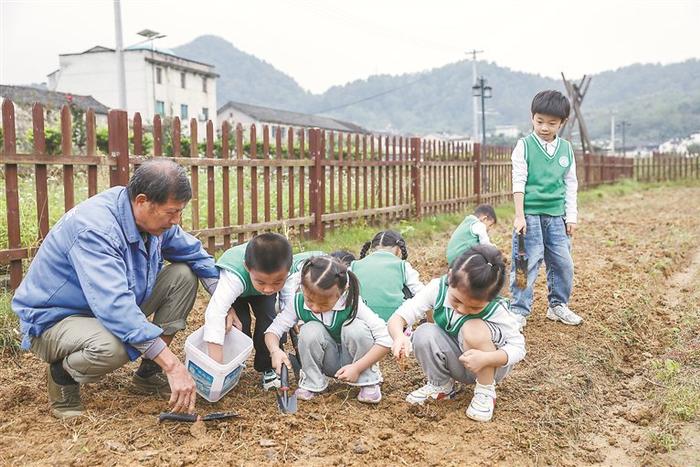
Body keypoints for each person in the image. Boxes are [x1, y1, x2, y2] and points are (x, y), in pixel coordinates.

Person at [12, 159, 218, 419]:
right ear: (142, 201)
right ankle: (62, 376)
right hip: (55, 319)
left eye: (180, 212)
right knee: (117, 345)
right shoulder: (96, 230)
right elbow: (116, 308)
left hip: (107, 305)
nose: (176, 221)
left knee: (183, 274)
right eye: (171, 212)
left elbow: (193, 252)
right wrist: (173, 365)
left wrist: (224, 300)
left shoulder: (148, 218)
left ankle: (147, 374)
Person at [388, 245, 525, 422]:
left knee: (472, 326)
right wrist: (399, 336)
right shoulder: (437, 288)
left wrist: (487, 359)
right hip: (458, 361)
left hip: (490, 366)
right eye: (457, 300)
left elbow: (518, 347)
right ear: (451, 276)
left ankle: (485, 391)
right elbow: (399, 316)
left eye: (475, 307)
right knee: (423, 332)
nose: (462, 309)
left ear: (491, 298)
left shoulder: (497, 310)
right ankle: (441, 386)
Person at [265, 256, 391, 404]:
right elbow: (273, 330)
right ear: (302, 287)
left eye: (324, 304)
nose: (316, 308)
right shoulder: (297, 303)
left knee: (355, 328)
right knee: (309, 329)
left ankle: (368, 381)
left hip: (355, 361)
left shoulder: (352, 303)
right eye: (309, 301)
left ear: (342, 291)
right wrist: (275, 350)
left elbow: (386, 339)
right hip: (328, 361)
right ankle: (313, 382)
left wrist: (357, 367)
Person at [510, 90, 582, 329]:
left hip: (556, 217)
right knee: (525, 263)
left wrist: (571, 217)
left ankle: (557, 305)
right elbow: (518, 181)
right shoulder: (524, 146)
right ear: (532, 117)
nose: (544, 127)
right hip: (529, 216)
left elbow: (571, 184)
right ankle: (518, 310)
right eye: (540, 121)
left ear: (562, 123)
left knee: (563, 263)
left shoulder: (566, 149)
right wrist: (520, 215)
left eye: (551, 123)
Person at [203, 233, 295, 390]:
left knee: (270, 319)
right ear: (247, 267)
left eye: (277, 282)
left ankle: (267, 366)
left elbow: (288, 304)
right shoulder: (234, 275)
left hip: (256, 291)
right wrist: (215, 367)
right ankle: (233, 364)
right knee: (238, 324)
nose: (268, 288)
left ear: (287, 271)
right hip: (238, 292)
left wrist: (294, 319)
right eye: (262, 281)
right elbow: (215, 314)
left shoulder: (285, 272)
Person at [350, 230, 423, 322]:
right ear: (399, 249)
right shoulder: (402, 265)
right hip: (394, 321)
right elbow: (421, 293)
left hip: (361, 319)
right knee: (407, 288)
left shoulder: (355, 265)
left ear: (371, 249)